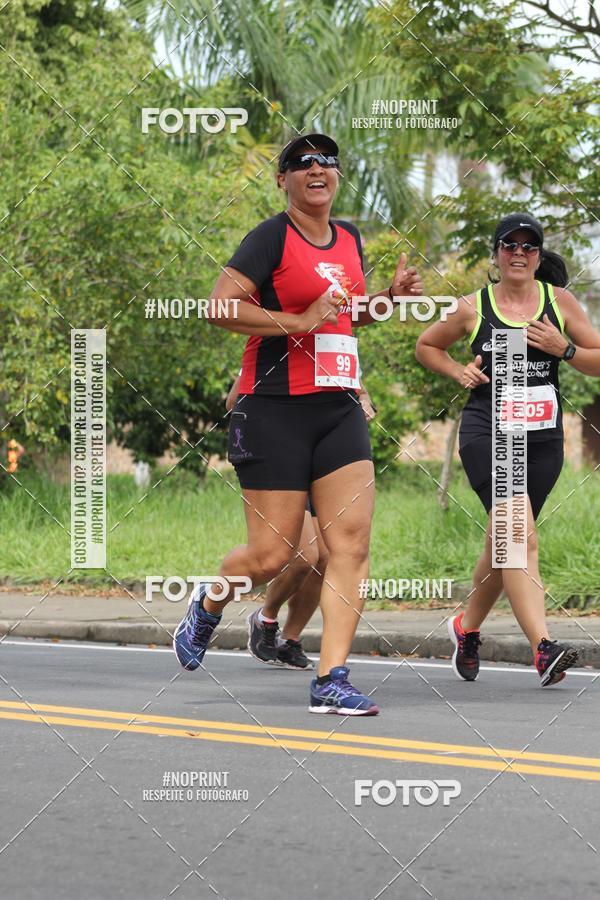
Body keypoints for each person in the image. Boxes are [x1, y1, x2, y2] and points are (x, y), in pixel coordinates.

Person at [173, 132, 422, 715]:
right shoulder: (270, 238)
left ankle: (332, 678)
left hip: (338, 408)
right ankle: (209, 604)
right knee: (272, 557)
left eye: (326, 161)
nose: (316, 168)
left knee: (350, 545)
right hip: (273, 409)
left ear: (336, 177)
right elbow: (220, 307)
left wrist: (388, 297)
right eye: (301, 162)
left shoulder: (351, 238)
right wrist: (298, 319)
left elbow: (349, 315)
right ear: (282, 180)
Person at [416, 213, 600, 686]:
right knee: (519, 537)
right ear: (495, 255)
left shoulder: (559, 303)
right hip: (488, 434)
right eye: (509, 245)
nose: (519, 253)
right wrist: (459, 372)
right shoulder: (471, 307)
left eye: (529, 246)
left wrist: (565, 350)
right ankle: (544, 648)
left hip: (542, 440)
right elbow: (427, 346)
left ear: (539, 256)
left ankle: (466, 627)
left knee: (505, 544)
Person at [225, 371, 377, 670]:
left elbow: (355, 387)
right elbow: (234, 402)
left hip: (326, 467)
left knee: (329, 558)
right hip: (284, 462)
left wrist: (363, 399)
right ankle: (266, 618)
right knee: (305, 556)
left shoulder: (334, 351)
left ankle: (290, 639)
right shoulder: (274, 354)